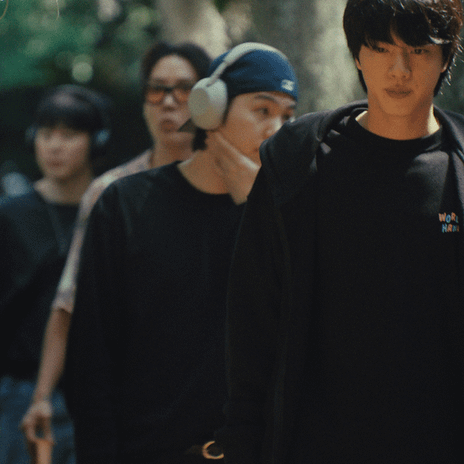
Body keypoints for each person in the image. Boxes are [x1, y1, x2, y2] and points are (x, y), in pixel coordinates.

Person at [218, 0, 464, 464]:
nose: (399, 69)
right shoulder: (296, 164)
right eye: (381, 48)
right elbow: (252, 327)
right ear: (357, 55)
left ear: (446, 56)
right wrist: (241, 448)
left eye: (419, 50)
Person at [64, 43, 298, 464]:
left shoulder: (286, 217)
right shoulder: (125, 205)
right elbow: (91, 362)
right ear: (210, 109)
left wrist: (260, 211)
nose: (276, 129)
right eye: (263, 110)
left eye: (287, 116)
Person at [19, 42, 212, 463]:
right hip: (136, 412)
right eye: (157, 89)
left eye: (184, 89)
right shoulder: (111, 193)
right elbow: (68, 303)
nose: (169, 103)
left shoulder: (232, 188)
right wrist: (41, 396)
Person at [0, 85, 113, 464]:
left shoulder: (111, 212)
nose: (54, 146)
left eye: (69, 135)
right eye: (46, 134)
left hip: (101, 396)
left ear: (96, 142)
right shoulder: (2, 217)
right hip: (24, 392)